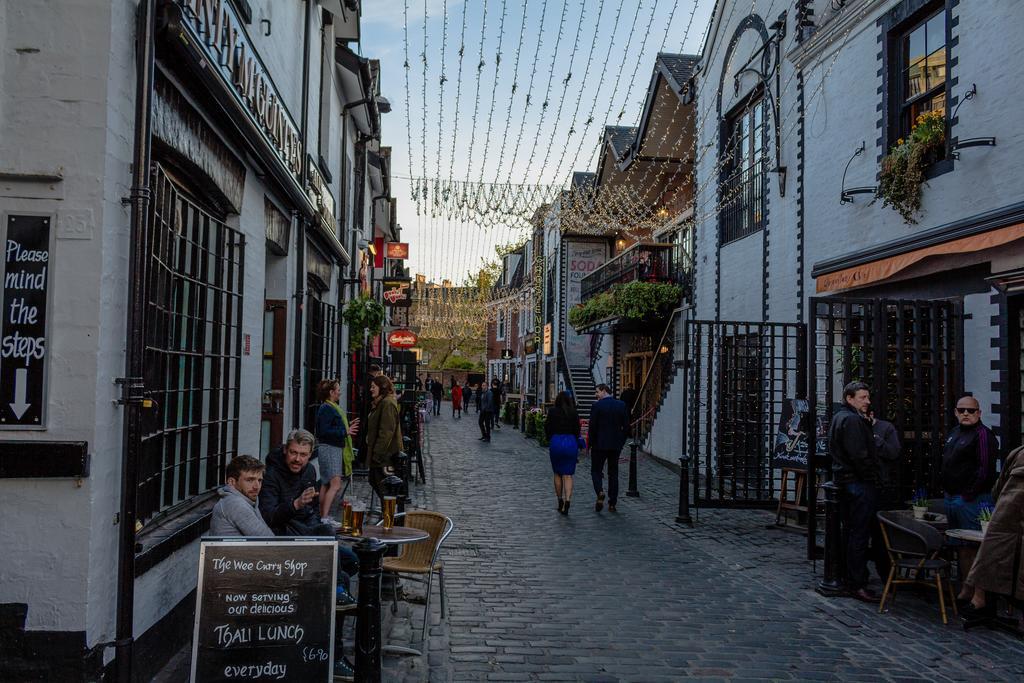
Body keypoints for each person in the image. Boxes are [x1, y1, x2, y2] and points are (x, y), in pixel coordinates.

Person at [259, 429, 360, 608]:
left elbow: (313, 508)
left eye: (303, 455)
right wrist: (295, 504)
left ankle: (321, 595)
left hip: (308, 532)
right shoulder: (271, 475)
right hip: (286, 538)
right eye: (293, 453)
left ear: (310, 454)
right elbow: (269, 517)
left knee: (352, 561)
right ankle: (330, 597)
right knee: (340, 574)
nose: (298, 459)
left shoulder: (310, 471)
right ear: (285, 450)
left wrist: (315, 524)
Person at [940, 394, 999, 603]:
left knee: (976, 547)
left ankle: (979, 594)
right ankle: (966, 587)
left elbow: (985, 470)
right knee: (962, 547)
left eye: (971, 410)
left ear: (979, 413)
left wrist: (968, 494)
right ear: (956, 412)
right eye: (962, 410)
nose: (966, 413)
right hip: (953, 498)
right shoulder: (955, 433)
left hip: (972, 500)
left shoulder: (983, 435)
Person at [827, 381, 880, 603]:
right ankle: (856, 582)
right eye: (862, 397)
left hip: (847, 481)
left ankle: (850, 577)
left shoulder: (841, 417)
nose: (867, 402)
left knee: (851, 532)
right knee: (858, 534)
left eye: (867, 397)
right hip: (857, 483)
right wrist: (871, 477)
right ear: (849, 398)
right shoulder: (852, 420)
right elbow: (859, 455)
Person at [962, 445, 1024, 619]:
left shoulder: (1017, 453)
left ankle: (977, 600)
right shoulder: (1018, 453)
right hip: (1006, 526)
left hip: (1005, 524)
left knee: (991, 559)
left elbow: (997, 489)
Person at [315, 379, 359, 527]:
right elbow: (323, 431)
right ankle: (325, 517)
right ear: (331, 392)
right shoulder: (327, 408)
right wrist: (345, 431)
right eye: (338, 389)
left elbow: (329, 427)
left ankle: (322, 515)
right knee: (335, 484)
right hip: (330, 448)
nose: (340, 392)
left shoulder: (328, 407)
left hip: (329, 447)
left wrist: (348, 425)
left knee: (326, 483)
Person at [588, 384, 629, 513]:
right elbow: (626, 427)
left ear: (604, 391)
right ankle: (612, 503)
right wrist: (621, 442)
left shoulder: (597, 406)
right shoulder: (621, 405)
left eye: (597, 392)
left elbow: (592, 427)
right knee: (613, 473)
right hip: (615, 445)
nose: (596, 395)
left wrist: (590, 444)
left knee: (596, 471)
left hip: (599, 445)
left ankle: (600, 491)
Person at [870, 409, 901, 581]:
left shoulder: (886, 428)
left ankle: (885, 573)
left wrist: (876, 440)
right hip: (863, 486)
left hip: (882, 487)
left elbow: (894, 452)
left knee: (881, 534)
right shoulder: (855, 427)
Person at [210, 455, 274, 536]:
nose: (256, 486)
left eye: (259, 480)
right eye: (250, 480)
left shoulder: (245, 500)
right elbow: (268, 541)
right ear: (231, 482)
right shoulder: (235, 503)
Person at [366, 374, 403, 501]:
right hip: (380, 456)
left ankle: (389, 518)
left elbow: (386, 432)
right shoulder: (380, 403)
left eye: (373, 387)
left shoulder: (387, 403)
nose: (370, 389)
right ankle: (387, 516)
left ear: (381, 387)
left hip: (385, 457)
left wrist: (377, 455)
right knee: (375, 481)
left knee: (385, 490)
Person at [546, 392, 581, 515]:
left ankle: (560, 500)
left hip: (556, 442)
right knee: (568, 475)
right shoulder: (574, 412)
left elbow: (547, 428)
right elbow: (577, 430)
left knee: (557, 473)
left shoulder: (552, 411)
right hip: (570, 442)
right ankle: (568, 500)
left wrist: (550, 439)